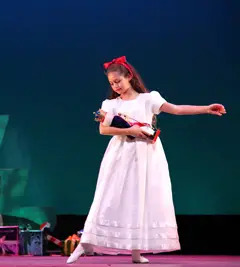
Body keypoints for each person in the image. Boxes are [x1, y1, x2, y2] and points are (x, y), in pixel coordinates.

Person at [67, 56, 226, 264]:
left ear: (129, 77)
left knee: (140, 199)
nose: (115, 87)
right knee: (107, 198)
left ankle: (135, 252)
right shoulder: (111, 104)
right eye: (111, 84)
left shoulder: (148, 99)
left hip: (147, 156)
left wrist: (206, 109)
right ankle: (83, 244)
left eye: (118, 82)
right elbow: (103, 129)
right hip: (121, 154)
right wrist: (130, 129)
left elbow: (176, 109)